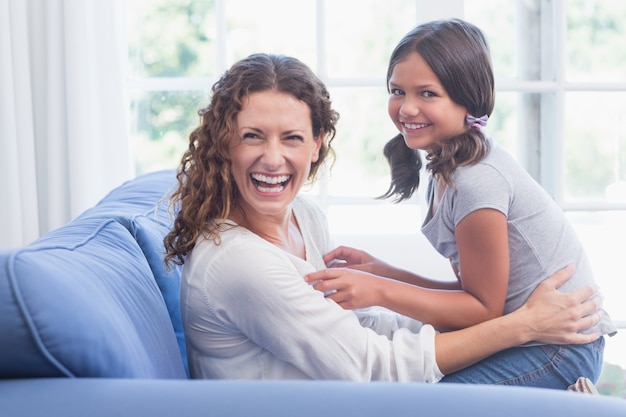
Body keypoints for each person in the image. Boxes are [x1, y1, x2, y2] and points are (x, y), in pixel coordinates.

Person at [163, 52, 601, 383]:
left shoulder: (304, 218)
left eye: (292, 138)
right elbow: (372, 366)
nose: (273, 158)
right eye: (252, 137)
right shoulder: (241, 263)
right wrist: (521, 326)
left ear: (316, 144)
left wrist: (383, 285)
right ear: (223, 144)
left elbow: (359, 329)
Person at [305, 19, 616, 388]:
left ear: (467, 98)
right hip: (525, 331)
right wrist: (381, 272)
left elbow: (482, 310)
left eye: (427, 94)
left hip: (559, 346)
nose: (406, 108)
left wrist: (380, 290)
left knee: (431, 403)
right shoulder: (450, 167)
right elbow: (479, 295)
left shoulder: (476, 179)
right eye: (397, 90)